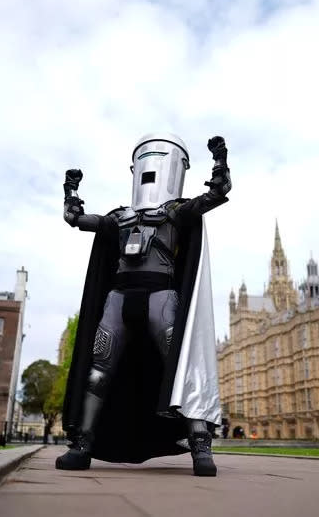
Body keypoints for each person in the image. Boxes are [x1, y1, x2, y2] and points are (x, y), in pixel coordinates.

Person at [57, 133, 231, 476]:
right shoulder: (118, 217)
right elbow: (78, 221)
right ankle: (83, 444)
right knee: (98, 370)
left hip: (160, 297)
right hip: (119, 298)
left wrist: (220, 161)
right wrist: (71, 195)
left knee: (182, 367)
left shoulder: (176, 212)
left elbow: (215, 194)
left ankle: (200, 445)